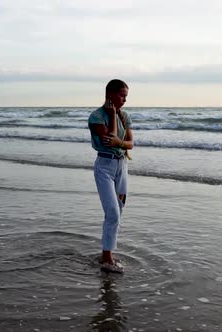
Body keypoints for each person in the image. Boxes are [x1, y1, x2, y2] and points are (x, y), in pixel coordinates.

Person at [88, 79, 133, 273]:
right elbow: (109, 142)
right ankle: (107, 258)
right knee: (113, 212)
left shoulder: (126, 116)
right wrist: (113, 115)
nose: (124, 99)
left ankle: (107, 253)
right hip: (104, 166)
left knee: (119, 210)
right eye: (121, 95)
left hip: (122, 166)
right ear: (110, 94)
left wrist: (120, 142)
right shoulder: (96, 117)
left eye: (126, 96)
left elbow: (130, 143)